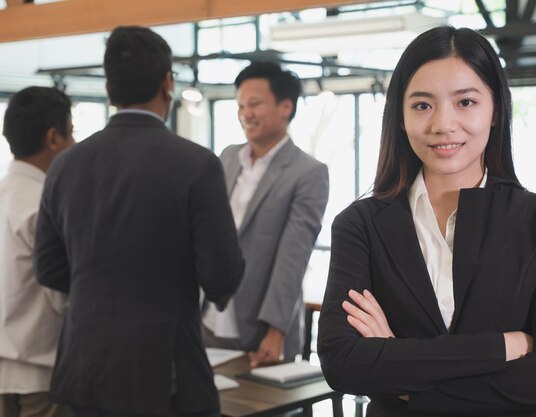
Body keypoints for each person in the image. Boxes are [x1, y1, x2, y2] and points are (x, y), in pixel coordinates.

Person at [317, 26, 536, 417]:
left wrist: (400, 371)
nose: (443, 124)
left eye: (465, 102)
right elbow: (342, 362)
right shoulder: (361, 225)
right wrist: (503, 346)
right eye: (422, 105)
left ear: (496, 110)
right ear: (400, 116)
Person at [34, 26, 244, 417]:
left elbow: (48, 268)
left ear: (110, 88)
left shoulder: (65, 165)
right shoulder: (196, 164)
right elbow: (222, 275)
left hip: (85, 368)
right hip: (166, 373)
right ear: (168, 83)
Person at [201, 61, 329, 368]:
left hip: (258, 327)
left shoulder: (307, 173)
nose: (245, 113)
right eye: (240, 105)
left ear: (286, 106)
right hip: (207, 318)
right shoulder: (228, 157)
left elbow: (293, 256)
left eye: (255, 104)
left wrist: (276, 330)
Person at [0, 86, 74, 417]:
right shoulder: (47, 206)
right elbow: (66, 289)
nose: (73, 144)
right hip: (40, 371)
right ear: (53, 138)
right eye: (71, 133)